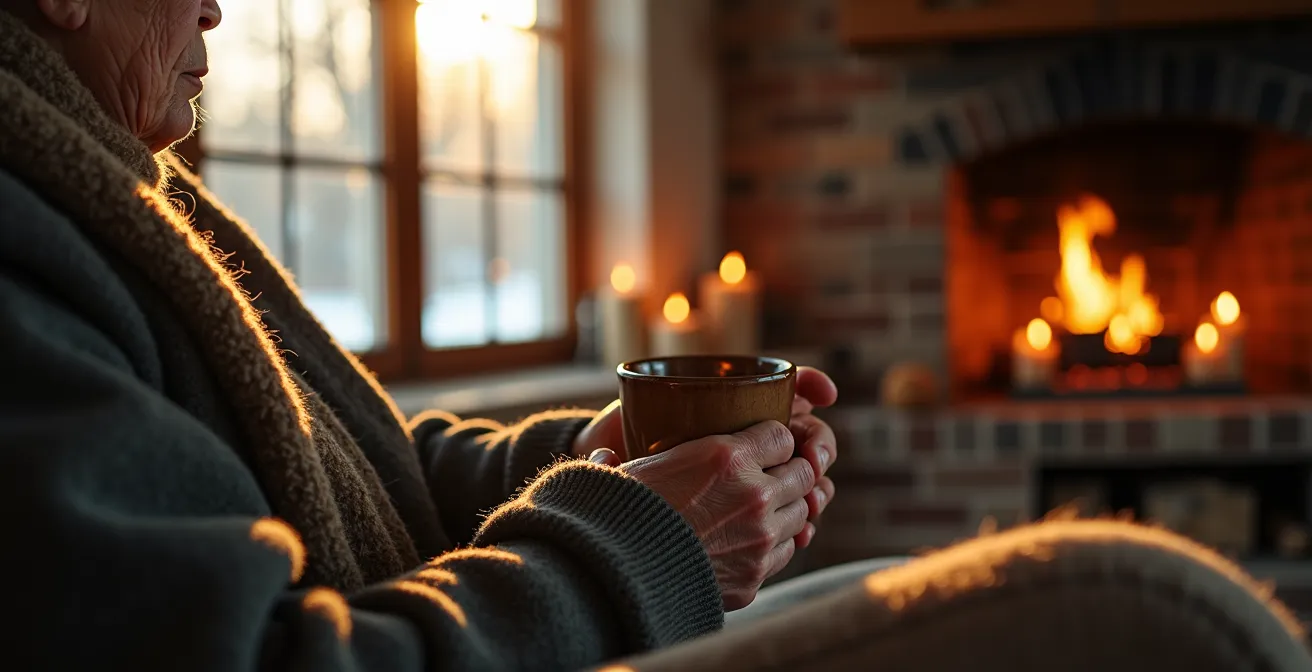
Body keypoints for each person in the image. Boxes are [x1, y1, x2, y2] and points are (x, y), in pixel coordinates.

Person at [0, 1, 842, 669]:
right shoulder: (33, 246)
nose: (216, 11)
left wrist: (591, 457)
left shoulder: (121, 199)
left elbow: (355, 470)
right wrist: (644, 546)